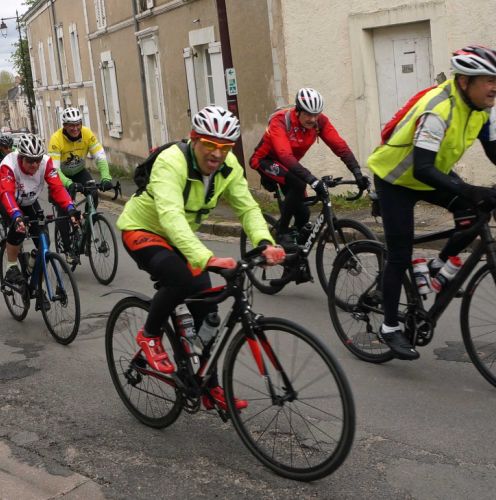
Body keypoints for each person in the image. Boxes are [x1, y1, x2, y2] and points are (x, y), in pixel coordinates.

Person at [116, 105, 285, 410]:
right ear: (194, 139)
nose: (217, 154)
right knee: (179, 278)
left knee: (207, 312)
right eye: (209, 144)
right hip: (143, 229)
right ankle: (149, 335)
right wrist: (206, 258)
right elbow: (170, 216)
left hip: (181, 238)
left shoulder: (228, 166)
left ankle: (208, 385)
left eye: (225, 147)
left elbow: (247, 208)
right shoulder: (171, 162)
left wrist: (264, 242)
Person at [367, 44, 496, 360]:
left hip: (430, 174)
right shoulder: (438, 109)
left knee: (474, 214)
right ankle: (389, 328)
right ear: (465, 81)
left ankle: (437, 267)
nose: (495, 87)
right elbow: (422, 167)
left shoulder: (482, 108)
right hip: (396, 180)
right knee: (399, 254)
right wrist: (471, 189)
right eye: (489, 80)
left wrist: (474, 194)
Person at [250, 87, 370, 247]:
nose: (312, 119)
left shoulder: (320, 122)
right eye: (308, 114)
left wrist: (357, 172)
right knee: (299, 183)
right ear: (298, 111)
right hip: (265, 160)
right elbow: (284, 155)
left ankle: (294, 252)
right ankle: (282, 232)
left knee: (304, 214)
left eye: (316, 114)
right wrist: (312, 180)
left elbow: (340, 147)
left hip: (289, 165)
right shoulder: (280, 121)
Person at [0, 133, 79, 284]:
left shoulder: (46, 162)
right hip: (8, 200)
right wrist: (16, 216)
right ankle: (11, 267)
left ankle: (36, 283)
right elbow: (7, 193)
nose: (35, 165)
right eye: (30, 161)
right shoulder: (9, 164)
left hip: (29, 201)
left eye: (37, 160)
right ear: (21, 157)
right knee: (18, 229)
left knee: (44, 243)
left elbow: (57, 187)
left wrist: (70, 208)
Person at [48, 107, 114, 262]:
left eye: (78, 124)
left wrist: (106, 177)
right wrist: (68, 183)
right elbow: (54, 169)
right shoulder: (56, 139)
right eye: (71, 125)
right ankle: (68, 250)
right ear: (64, 126)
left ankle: (86, 222)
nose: (75, 128)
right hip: (61, 177)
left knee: (94, 193)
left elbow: (100, 156)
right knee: (64, 210)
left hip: (79, 171)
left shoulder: (87, 133)